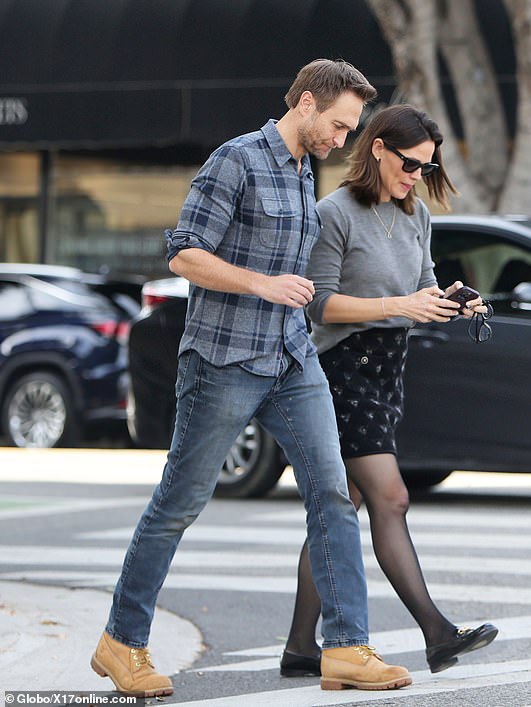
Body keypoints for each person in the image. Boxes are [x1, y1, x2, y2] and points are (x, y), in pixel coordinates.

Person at [89, 59, 415, 697]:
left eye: (352, 130)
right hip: (224, 363)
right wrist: (262, 284)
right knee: (177, 506)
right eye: (340, 126)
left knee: (332, 497)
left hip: (293, 361)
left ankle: (346, 647)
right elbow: (183, 251)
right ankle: (121, 642)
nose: (344, 141)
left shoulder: (303, 170)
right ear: (304, 105)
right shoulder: (235, 161)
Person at [280, 104, 498, 678]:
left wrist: (452, 300)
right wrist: (395, 306)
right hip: (341, 368)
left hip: (388, 368)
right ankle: (436, 632)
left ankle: (301, 646)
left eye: (426, 167)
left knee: (341, 509)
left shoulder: (415, 215)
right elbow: (319, 302)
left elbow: (422, 287)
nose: (416, 176)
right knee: (391, 499)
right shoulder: (334, 214)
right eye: (410, 163)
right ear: (377, 147)